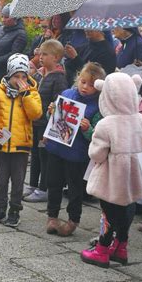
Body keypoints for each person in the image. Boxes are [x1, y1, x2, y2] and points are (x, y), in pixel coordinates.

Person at [81, 72, 142, 268]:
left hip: (111, 177)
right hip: (133, 175)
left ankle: (102, 249)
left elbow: (97, 154)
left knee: (109, 212)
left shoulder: (107, 124)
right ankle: (121, 247)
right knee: (127, 210)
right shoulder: (141, 119)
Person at [45, 62, 105, 236]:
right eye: (83, 82)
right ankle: (52, 216)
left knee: (75, 189)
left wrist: (88, 129)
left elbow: (97, 135)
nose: (85, 87)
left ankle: (73, 219)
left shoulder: (98, 106)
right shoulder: (67, 94)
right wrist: (51, 111)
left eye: (91, 85)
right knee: (53, 183)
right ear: (78, 79)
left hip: (77, 154)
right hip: (56, 148)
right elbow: (54, 119)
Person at [0, 53, 42, 227]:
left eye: (23, 76)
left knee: (18, 180)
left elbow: (36, 114)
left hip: (21, 144)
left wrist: (25, 96)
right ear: (9, 75)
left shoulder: (32, 94)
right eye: (16, 76)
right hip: (1, 144)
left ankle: (15, 209)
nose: (20, 80)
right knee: (2, 179)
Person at [23, 40, 68, 203]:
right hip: (37, 122)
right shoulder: (41, 75)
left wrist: (51, 125)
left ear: (56, 57)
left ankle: (44, 188)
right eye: (40, 53)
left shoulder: (59, 78)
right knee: (35, 154)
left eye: (45, 54)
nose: (40, 57)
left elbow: (58, 104)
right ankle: (33, 185)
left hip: (46, 125)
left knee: (45, 156)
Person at [0, 4, 27, 91]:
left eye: (6, 17)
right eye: (2, 17)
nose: (3, 20)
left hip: (4, 74)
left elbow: (13, 54)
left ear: (15, 18)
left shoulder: (20, 34)